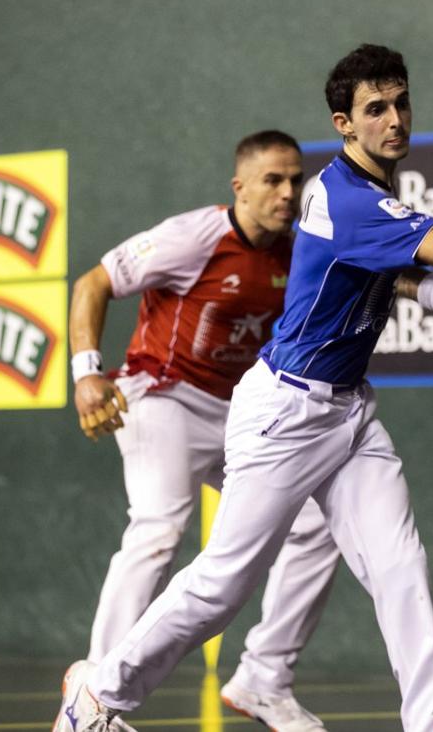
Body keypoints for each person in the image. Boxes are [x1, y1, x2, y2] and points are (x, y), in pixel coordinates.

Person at [56, 45, 433, 732]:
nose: (394, 119)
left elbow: (374, 270)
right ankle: (98, 695)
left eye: (401, 103)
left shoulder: (354, 200)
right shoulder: (348, 198)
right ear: (344, 124)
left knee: (401, 568)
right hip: (282, 413)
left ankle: (398, 717)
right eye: (375, 109)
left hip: (348, 416)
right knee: (221, 585)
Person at [58, 131, 343, 732]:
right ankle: (92, 695)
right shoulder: (193, 237)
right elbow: (92, 284)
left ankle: (265, 675)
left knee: (318, 522)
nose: (288, 193)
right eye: (273, 180)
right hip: (160, 396)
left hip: (237, 410)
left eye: (296, 180)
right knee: (160, 526)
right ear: (239, 186)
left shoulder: (296, 253)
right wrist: (87, 375)